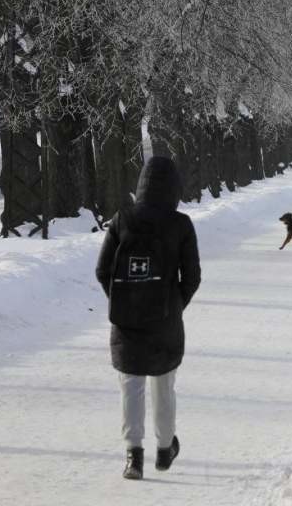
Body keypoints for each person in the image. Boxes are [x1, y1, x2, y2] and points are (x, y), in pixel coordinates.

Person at [96, 156, 202, 480]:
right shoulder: (181, 224)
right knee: (163, 384)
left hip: (126, 319)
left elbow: (103, 270)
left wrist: (125, 299)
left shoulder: (121, 219)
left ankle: (133, 456)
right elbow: (193, 276)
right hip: (165, 320)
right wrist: (173, 303)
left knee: (131, 383)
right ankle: (165, 448)